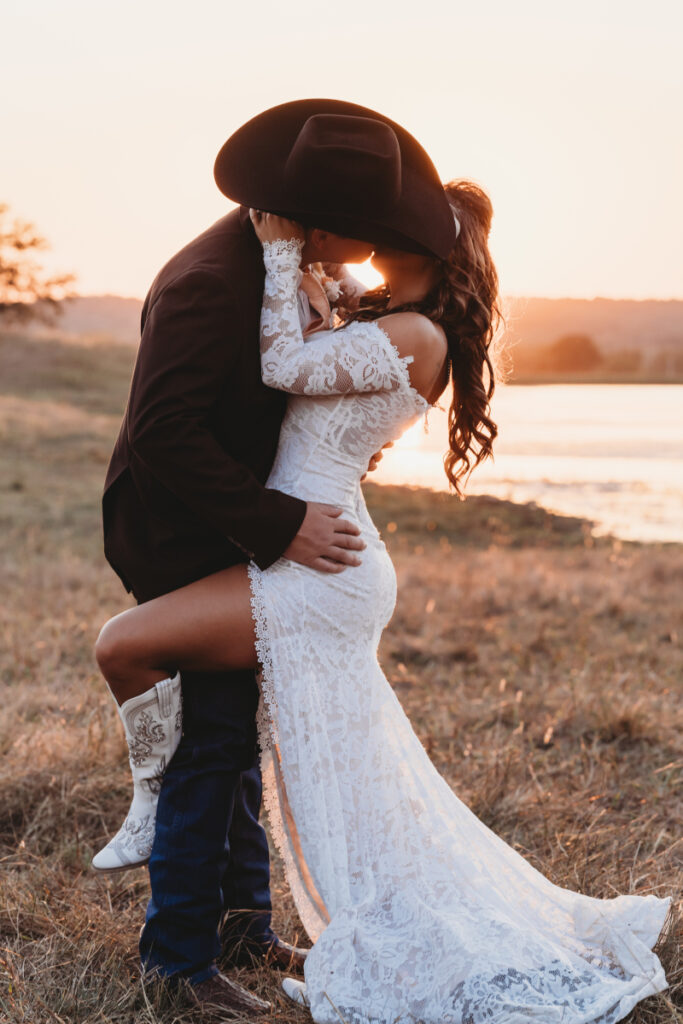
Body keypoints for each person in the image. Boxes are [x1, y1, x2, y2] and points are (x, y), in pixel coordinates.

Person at [95, 135, 671, 1022]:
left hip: (315, 558)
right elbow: (275, 399)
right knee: (253, 746)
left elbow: (282, 370)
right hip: (300, 546)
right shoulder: (350, 310)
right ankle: (231, 919)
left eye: (386, 235)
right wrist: (309, 291)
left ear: (425, 254)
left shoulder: (408, 330)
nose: (365, 248)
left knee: (160, 685)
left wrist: (289, 259)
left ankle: (167, 880)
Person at [95, 98, 461, 1016]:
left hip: (249, 535)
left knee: (237, 731)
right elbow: (163, 434)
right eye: (364, 231)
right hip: (189, 534)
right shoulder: (209, 283)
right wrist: (279, 522)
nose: (371, 249)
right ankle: (180, 962)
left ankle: (239, 926)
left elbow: (291, 397)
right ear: (317, 217)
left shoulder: (281, 267)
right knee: (210, 740)